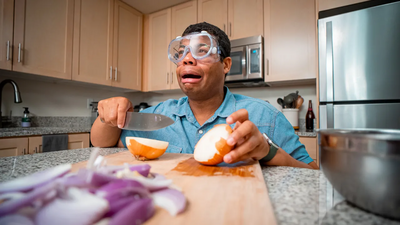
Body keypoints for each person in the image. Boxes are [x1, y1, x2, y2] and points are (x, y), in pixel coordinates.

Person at [91, 22, 318, 169]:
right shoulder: (159, 116)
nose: (187, 59)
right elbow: (102, 142)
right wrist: (108, 115)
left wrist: (268, 152)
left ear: (226, 65)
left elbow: (311, 171)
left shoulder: (265, 117)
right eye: (181, 54)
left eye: (202, 51)